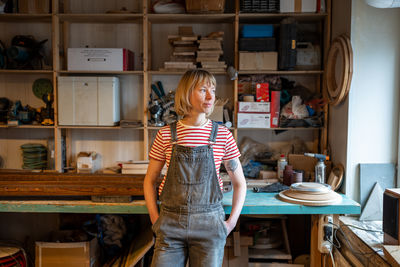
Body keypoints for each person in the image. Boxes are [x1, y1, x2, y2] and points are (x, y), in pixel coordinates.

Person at [144, 69, 247, 267]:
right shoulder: (165, 135)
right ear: (186, 93)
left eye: (213, 90)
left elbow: (240, 183)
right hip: (170, 224)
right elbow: (149, 181)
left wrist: (231, 223)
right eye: (202, 90)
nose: (210, 96)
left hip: (210, 225)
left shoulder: (223, 135)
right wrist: (156, 221)